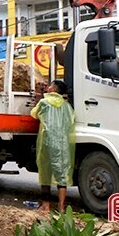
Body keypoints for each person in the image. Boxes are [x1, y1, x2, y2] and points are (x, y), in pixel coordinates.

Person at [30, 79, 75, 212]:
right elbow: (71, 121)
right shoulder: (66, 106)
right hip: (62, 143)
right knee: (61, 174)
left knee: (45, 173)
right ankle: (61, 207)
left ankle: (46, 205)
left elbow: (33, 114)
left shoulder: (44, 102)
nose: (48, 88)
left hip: (47, 142)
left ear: (54, 90)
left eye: (50, 86)